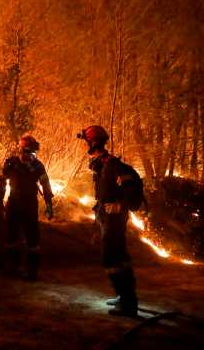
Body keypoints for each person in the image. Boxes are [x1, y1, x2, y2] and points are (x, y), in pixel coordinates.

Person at [77, 125, 139, 317]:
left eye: (86, 141)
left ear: (93, 142)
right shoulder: (103, 166)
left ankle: (128, 303)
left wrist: (118, 209)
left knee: (113, 257)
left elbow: (126, 189)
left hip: (113, 219)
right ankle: (123, 296)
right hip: (108, 218)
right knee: (116, 257)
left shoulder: (112, 165)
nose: (85, 145)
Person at [0, 134, 54, 281]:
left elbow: (45, 184)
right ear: (22, 149)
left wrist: (49, 203)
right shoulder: (11, 163)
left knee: (32, 240)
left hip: (29, 205)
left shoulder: (38, 166)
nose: (30, 155)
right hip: (13, 204)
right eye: (27, 151)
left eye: (32, 152)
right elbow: (2, 181)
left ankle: (32, 272)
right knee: (11, 238)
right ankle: (12, 268)